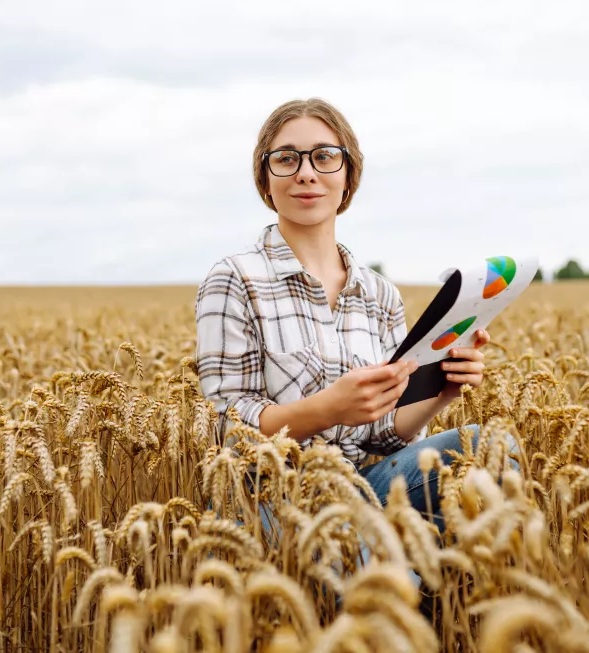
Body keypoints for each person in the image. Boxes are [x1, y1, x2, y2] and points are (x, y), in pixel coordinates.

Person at [195, 97, 515, 537]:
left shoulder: (379, 294)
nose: (306, 172)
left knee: (491, 447)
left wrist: (443, 390)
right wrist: (327, 409)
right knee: (385, 579)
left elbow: (384, 435)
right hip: (267, 499)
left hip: (361, 488)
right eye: (286, 159)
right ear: (265, 180)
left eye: (325, 157)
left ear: (348, 177)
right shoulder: (234, 279)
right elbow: (227, 426)